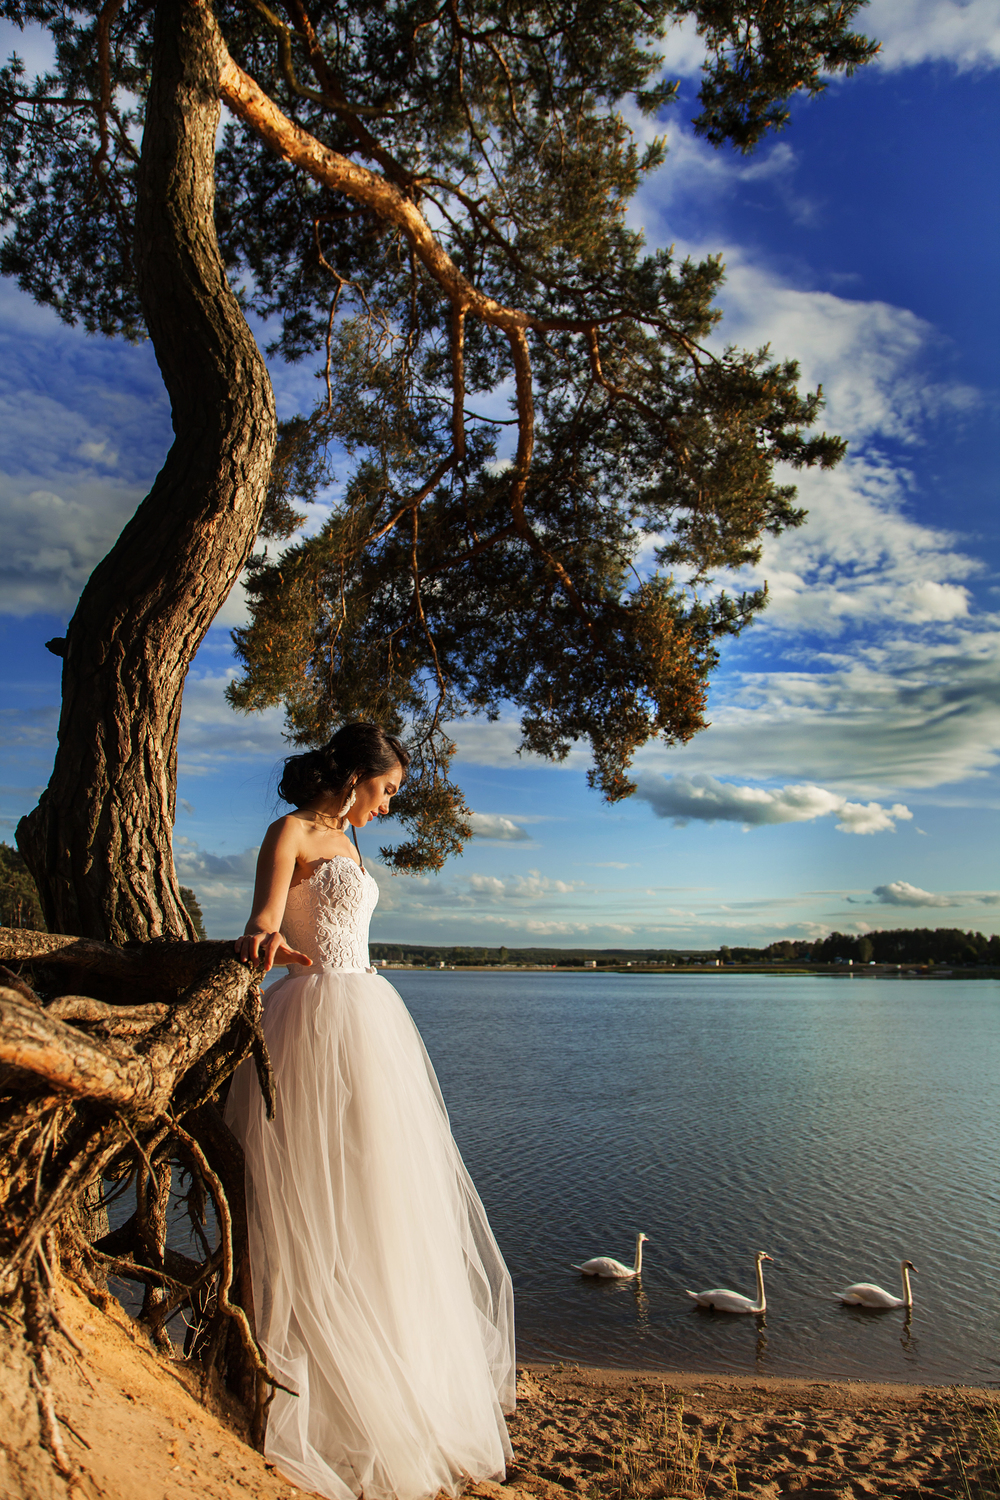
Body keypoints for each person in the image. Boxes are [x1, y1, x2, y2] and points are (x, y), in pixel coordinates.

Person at [226, 722, 515, 1500]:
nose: (388, 807)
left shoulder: (353, 847)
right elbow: (262, 918)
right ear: (355, 774)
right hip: (310, 1020)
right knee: (308, 1199)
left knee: (380, 1196)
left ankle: (393, 1385)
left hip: (369, 1019)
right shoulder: (287, 832)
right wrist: (265, 943)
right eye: (386, 790)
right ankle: (314, 1396)